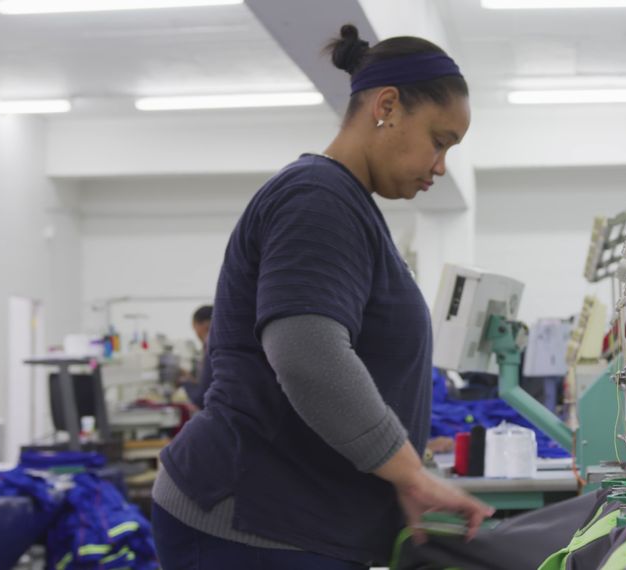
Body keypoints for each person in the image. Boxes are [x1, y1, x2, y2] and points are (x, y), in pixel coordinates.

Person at [151, 25, 492, 569]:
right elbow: (309, 354)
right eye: (439, 139)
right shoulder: (318, 199)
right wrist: (410, 473)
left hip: (300, 521)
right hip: (250, 523)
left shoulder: (348, 206)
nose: (440, 166)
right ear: (387, 106)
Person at [177, 305, 213, 409]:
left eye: (194, 328)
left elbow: (201, 398)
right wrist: (191, 379)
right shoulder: (225, 347)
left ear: (201, 325)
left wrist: (184, 382)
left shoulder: (210, 348)